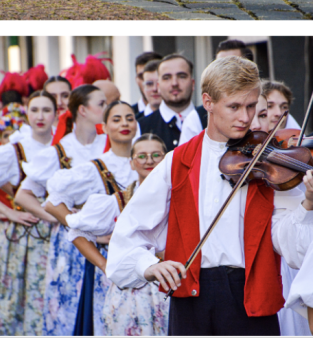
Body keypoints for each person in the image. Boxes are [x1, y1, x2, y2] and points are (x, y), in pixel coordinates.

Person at [108, 56, 313, 336]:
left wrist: (307, 204)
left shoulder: (270, 166)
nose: (245, 117)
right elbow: (128, 232)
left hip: (249, 299)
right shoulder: (176, 161)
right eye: (234, 107)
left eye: (252, 106)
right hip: (191, 300)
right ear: (208, 102)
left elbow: (289, 245)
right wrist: (149, 265)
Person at [15, 85, 109, 335]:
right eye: (101, 103)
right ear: (83, 110)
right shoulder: (60, 151)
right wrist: (60, 218)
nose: (106, 109)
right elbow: (23, 194)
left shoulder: (108, 143)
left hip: (109, 236)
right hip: (71, 241)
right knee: (69, 306)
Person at [43, 100, 138, 335]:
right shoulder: (95, 168)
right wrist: (81, 226)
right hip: (109, 258)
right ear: (104, 127)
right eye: (116, 119)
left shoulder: (147, 159)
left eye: (129, 118)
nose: (124, 123)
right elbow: (52, 201)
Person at [64, 134, 169, 336]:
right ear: (131, 163)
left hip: (168, 286)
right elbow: (77, 231)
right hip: (130, 290)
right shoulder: (118, 200)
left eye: (156, 155)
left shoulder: (178, 196)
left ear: (166, 159)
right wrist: (104, 264)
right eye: (142, 156)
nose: (149, 160)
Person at [0, 90, 59, 336]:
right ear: (27, 114)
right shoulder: (15, 150)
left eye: (46, 110)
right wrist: (9, 213)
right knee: (21, 297)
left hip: (60, 231)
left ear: (55, 114)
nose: (40, 116)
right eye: (34, 110)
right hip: (27, 234)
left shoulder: (64, 146)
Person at [138, 53, 201, 151]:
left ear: (193, 84)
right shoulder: (141, 127)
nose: (174, 83)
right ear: (158, 86)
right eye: (167, 78)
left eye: (182, 76)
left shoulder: (209, 120)